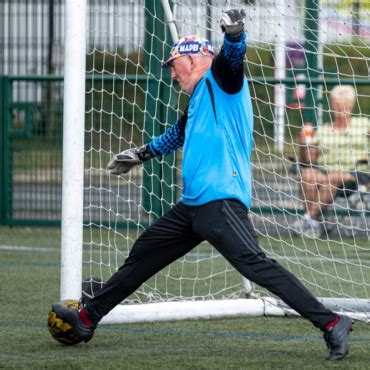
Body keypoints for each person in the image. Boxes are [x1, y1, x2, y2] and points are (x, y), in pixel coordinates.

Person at [53, 9, 353, 360]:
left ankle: (332, 324)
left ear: (194, 60)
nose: (172, 74)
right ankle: (87, 318)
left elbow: (232, 56)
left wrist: (236, 32)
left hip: (221, 200)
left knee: (257, 266)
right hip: (193, 207)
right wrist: (142, 153)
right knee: (143, 254)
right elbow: (176, 134)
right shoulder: (197, 98)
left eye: (174, 65)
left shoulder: (222, 80)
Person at [296, 85, 370, 238]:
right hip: (325, 172)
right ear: (331, 106)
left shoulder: (364, 123)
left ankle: (308, 219)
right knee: (307, 174)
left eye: (345, 104)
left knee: (334, 176)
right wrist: (304, 143)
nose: (341, 108)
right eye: (337, 105)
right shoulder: (323, 129)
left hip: (356, 175)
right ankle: (314, 224)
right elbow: (309, 160)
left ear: (352, 105)